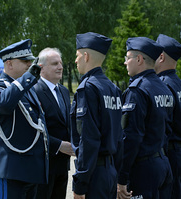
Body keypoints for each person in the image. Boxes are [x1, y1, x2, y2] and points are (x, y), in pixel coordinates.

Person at [0, 39, 49, 199]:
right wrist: (27, 79)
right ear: (9, 64)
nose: (29, 64)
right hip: (10, 170)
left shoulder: (27, 88)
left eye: (30, 60)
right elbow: (3, 105)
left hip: (30, 170)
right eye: (24, 61)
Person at [117, 37, 174, 199]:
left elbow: (131, 138)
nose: (125, 63)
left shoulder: (138, 91)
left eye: (127, 58)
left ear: (139, 59)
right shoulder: (164, 88)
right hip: (163, 163)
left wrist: (122, 177)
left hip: (143, 169)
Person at [71, 32, 123, 199]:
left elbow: (88, 139)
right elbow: (120, 137)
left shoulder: (88, 88)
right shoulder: (112, 89)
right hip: (110, 171)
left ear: (85, 56)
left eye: (77, 55)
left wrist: (80, 183)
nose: (75, 60)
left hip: (94, 174)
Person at [34, 47, 74, 199]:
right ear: (41, 68)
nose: (60, 67)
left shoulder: (63, 91)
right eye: (55, 63)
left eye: (61, 63)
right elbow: (33, 131)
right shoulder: (34, 90)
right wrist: (58, 145)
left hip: (63, 165)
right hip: (43, 166)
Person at [155, 34, 181, 199]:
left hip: (168, 154)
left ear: (161, 57)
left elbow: (162, 126)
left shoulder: (162, 85)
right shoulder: (177, 82)